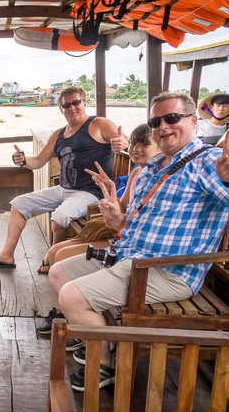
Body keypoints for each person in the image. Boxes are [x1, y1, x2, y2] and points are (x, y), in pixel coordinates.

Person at [48, 92, 229, 392]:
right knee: (58, 272)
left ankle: (106, 361)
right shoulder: (153, 166)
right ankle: (103, 337)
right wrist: (118, 221)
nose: (163, 126)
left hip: (167, 270)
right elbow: (135, 222)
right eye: (155, 121)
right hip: (131, 256)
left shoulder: (210, 162)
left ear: (193, 121)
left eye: (172, 118)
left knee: (71, 297)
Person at [0, 86, 127, 270]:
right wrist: (23, 160)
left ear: (84, 103)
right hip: (63, 189)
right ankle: (6, 255)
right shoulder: (58, 134)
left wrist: (123, 143)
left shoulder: (98, 124)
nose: (72, 107)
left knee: (60, 218)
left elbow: (125, 140)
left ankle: (53, 258)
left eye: (76, 102)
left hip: (91, 193)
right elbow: (39, 161)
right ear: (61, 109)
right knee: (18, 204)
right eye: (67, 105)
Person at [36, 124, 159, 337]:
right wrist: (110, 188)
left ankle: (65, 315)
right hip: (119, 234)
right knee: (55, 253)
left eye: (144, 144)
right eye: (133, 144)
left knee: (62, 255)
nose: (135, 149)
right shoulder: (138, 173)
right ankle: (63, 313)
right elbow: (122, 207)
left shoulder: (159, 178)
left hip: (126, 241)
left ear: (161, 147)